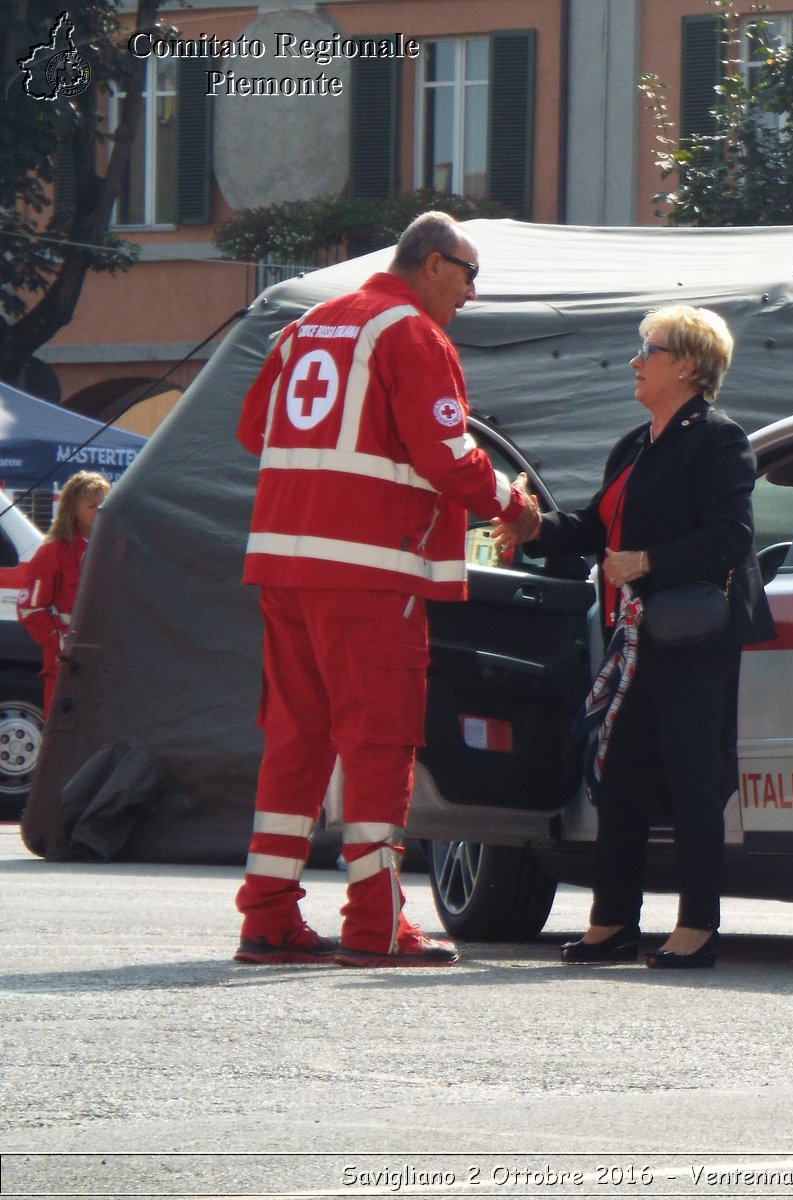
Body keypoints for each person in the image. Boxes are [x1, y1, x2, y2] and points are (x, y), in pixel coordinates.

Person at [232, 211, 540, 968]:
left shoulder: (308, 325)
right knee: (378, 742)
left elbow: (252, 430)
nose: (471, 293)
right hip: (370, 568)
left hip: (283, 562)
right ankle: (377, 923)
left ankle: (267, 916)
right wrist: (513, 506)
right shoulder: (409, 332)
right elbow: (446, 453)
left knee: (295, 740)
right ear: (432, 264)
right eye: (469, 276)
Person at [529, 304, 774, 970]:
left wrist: (648, 562)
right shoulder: (635, 444)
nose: (636, 360)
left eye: (650, 349)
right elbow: (592, 530)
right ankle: (613, 921)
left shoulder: (718, 439)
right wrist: (531, 526)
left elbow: (732, 538)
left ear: (689, 366)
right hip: (634, 638)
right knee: (620, 779)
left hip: (691, 634)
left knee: (694, 781)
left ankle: (697, 925)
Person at [19, 470, 111, 714]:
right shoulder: (52, 553)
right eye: (93, 505)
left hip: (107, 664)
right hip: (67, 666)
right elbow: (30, 610)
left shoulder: (116, 548)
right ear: (73, 511)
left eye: (104, 503)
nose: (101, 510)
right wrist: (62, 644)